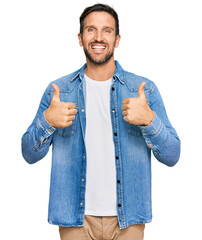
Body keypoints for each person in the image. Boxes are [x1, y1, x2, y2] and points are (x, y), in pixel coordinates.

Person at [21, 3, 181, 240]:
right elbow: (28, 154)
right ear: (80, 37)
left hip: (129, 219)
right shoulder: (58, 91)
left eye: (106, 31)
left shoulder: (143, 91)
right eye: (91, 30)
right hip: (75, 219)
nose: (98, 37)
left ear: (117, 39)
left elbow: (172, 155)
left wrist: (149, 120)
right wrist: (47, 121)